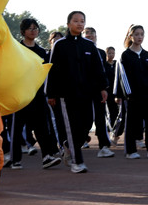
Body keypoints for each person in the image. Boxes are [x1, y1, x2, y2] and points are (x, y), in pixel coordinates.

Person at [44, 11, 110, 173]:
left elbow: (97, 69)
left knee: (86, 124)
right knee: (71, 128)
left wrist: (103, 87)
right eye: (76, 21)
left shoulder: (89, 46)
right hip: (66, 95)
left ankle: (67, 145)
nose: (79, 24)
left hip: (86, 93)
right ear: (68, 24)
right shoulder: (60, 45)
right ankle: (77, 161)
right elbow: (52, 71)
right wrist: (51, 93)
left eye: (82, 21)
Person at [8, 18, 62, 170]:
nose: (33, 31)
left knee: (42, 127)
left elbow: (46, 73)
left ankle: (47, 156)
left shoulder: (41, 51)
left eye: (35, 28)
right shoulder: (16, 49)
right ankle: (15, 159)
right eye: (29, 28)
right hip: (19, 94)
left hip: (37, 95)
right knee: (17, 128)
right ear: (23, 31)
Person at [119, 25, 148, 159]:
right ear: (131, 36)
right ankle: (131, 151)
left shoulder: (147, 55)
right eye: (136, 34)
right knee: (132, 123)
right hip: (133, 97)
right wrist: (128, 94)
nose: (139, 37)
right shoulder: (125, 55)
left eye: (141, 34)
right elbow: (123, 76)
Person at [82, 26, 114, 158]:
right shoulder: (79, 50)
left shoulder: (101, 53)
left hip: (98, 90)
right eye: (87, 34)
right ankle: (80, 139)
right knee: (85, 118)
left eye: (92, 34)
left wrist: (103, 88)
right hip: (82, 90)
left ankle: (104, 146)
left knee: (101, 118)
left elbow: (102, 72)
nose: (90, 36)